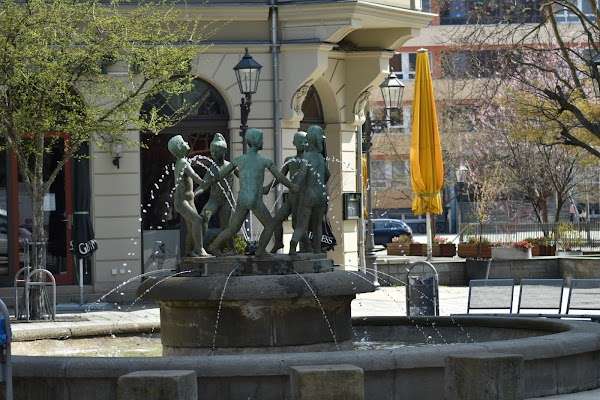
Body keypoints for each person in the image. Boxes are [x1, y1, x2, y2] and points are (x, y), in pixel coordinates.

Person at [205, 128, 298, 256]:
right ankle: (260, 250)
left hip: (242, 199)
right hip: (254, 199)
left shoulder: (239, 160)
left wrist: (207, 181)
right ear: (257, 142)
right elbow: (280, 177)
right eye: (261, 140)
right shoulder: (264, 161)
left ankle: (214, 246)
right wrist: (292, 186)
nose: (263, 142)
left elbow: (220, 175)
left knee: (233, 228)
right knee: (270, 225)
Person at [263, 131, 308, 253]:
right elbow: (280, 176)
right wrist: (268, 187)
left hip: (302, 198)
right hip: (291, 198)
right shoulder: (289, 160)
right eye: (299, 141)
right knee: (276, 220)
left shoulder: (309, 161)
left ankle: (307, 247)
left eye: (304, 141)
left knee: (297, 225)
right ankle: (279, 242)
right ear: (294, 143)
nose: (302, 144)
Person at [289, 125, 329, 254]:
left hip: (309, 195)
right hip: (321, 195)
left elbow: (302, 175)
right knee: (317, 226)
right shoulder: (321, 158)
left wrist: (296, 186)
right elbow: (327, 175)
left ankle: (293, 245)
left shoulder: (306, 157)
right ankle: (317, 250)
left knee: (301, 225)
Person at [168, 135, 209, 257]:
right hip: (182, 201)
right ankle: (199, 249)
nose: (186, 142)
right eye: (183, 142)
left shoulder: (181, 161)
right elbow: (194, 175)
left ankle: (188, 251)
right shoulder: (183, 162)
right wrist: (204, 183)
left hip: (188, 200)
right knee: (197, 220)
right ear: (179, 148)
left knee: (192, 227)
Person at [198, 133, 234, 248]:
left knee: (226, 227)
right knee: (204, 217)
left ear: (224, 151)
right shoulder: (212, 169)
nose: (213, 154)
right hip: (213, 200)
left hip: (226, 201)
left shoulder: (231, 166)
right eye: (212, 152)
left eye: (216, 152)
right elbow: (204, 185)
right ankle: (201, 246)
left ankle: (230, 248)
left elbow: (242, 176)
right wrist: (195, 193)